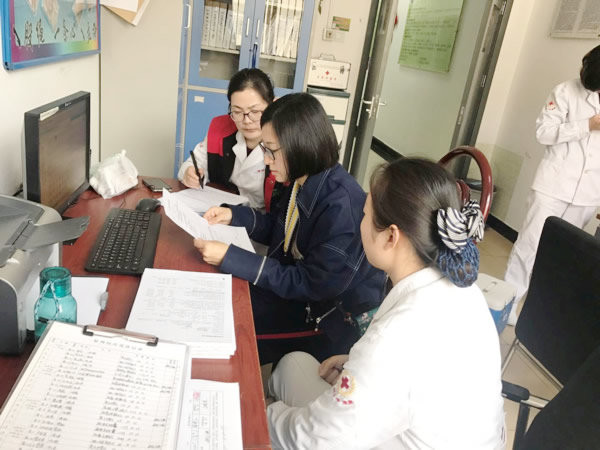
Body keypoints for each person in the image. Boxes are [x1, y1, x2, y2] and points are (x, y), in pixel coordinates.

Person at [267, 158, 506, 449]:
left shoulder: (393, 337)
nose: (360, 223)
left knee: (288, 373)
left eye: (365, 214)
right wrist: (357, 366)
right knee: (296, 366)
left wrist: (262, 416)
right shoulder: (467, 292)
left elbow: (317, 440)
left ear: (391, 236)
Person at [194, 93, 387, 365]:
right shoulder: (302, 179)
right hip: (297, 293)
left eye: (270, 150)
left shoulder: (341, 208)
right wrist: (234, 215)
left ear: (300, 146)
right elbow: (279, 227)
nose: (266, 160)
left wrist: (230, 256)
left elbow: (310, 284)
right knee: (219, 295)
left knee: (225, 324)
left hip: (325, 320)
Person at [504, 44, 600, 325]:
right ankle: (508, 305)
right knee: (529, 247)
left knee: (563, 256)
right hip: (553, 186)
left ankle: (540, 315)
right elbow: (543, 133)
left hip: (588, 193)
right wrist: (587, 125)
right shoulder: (565, 92)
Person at [178, 68, 281, 209]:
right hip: (218, 211)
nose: (247, 121)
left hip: (261, 218)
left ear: (272, 106)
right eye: (237, 112)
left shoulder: (284, 142)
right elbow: (193, 163)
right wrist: (189, 173)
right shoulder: (221, 129)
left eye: (255, 111)